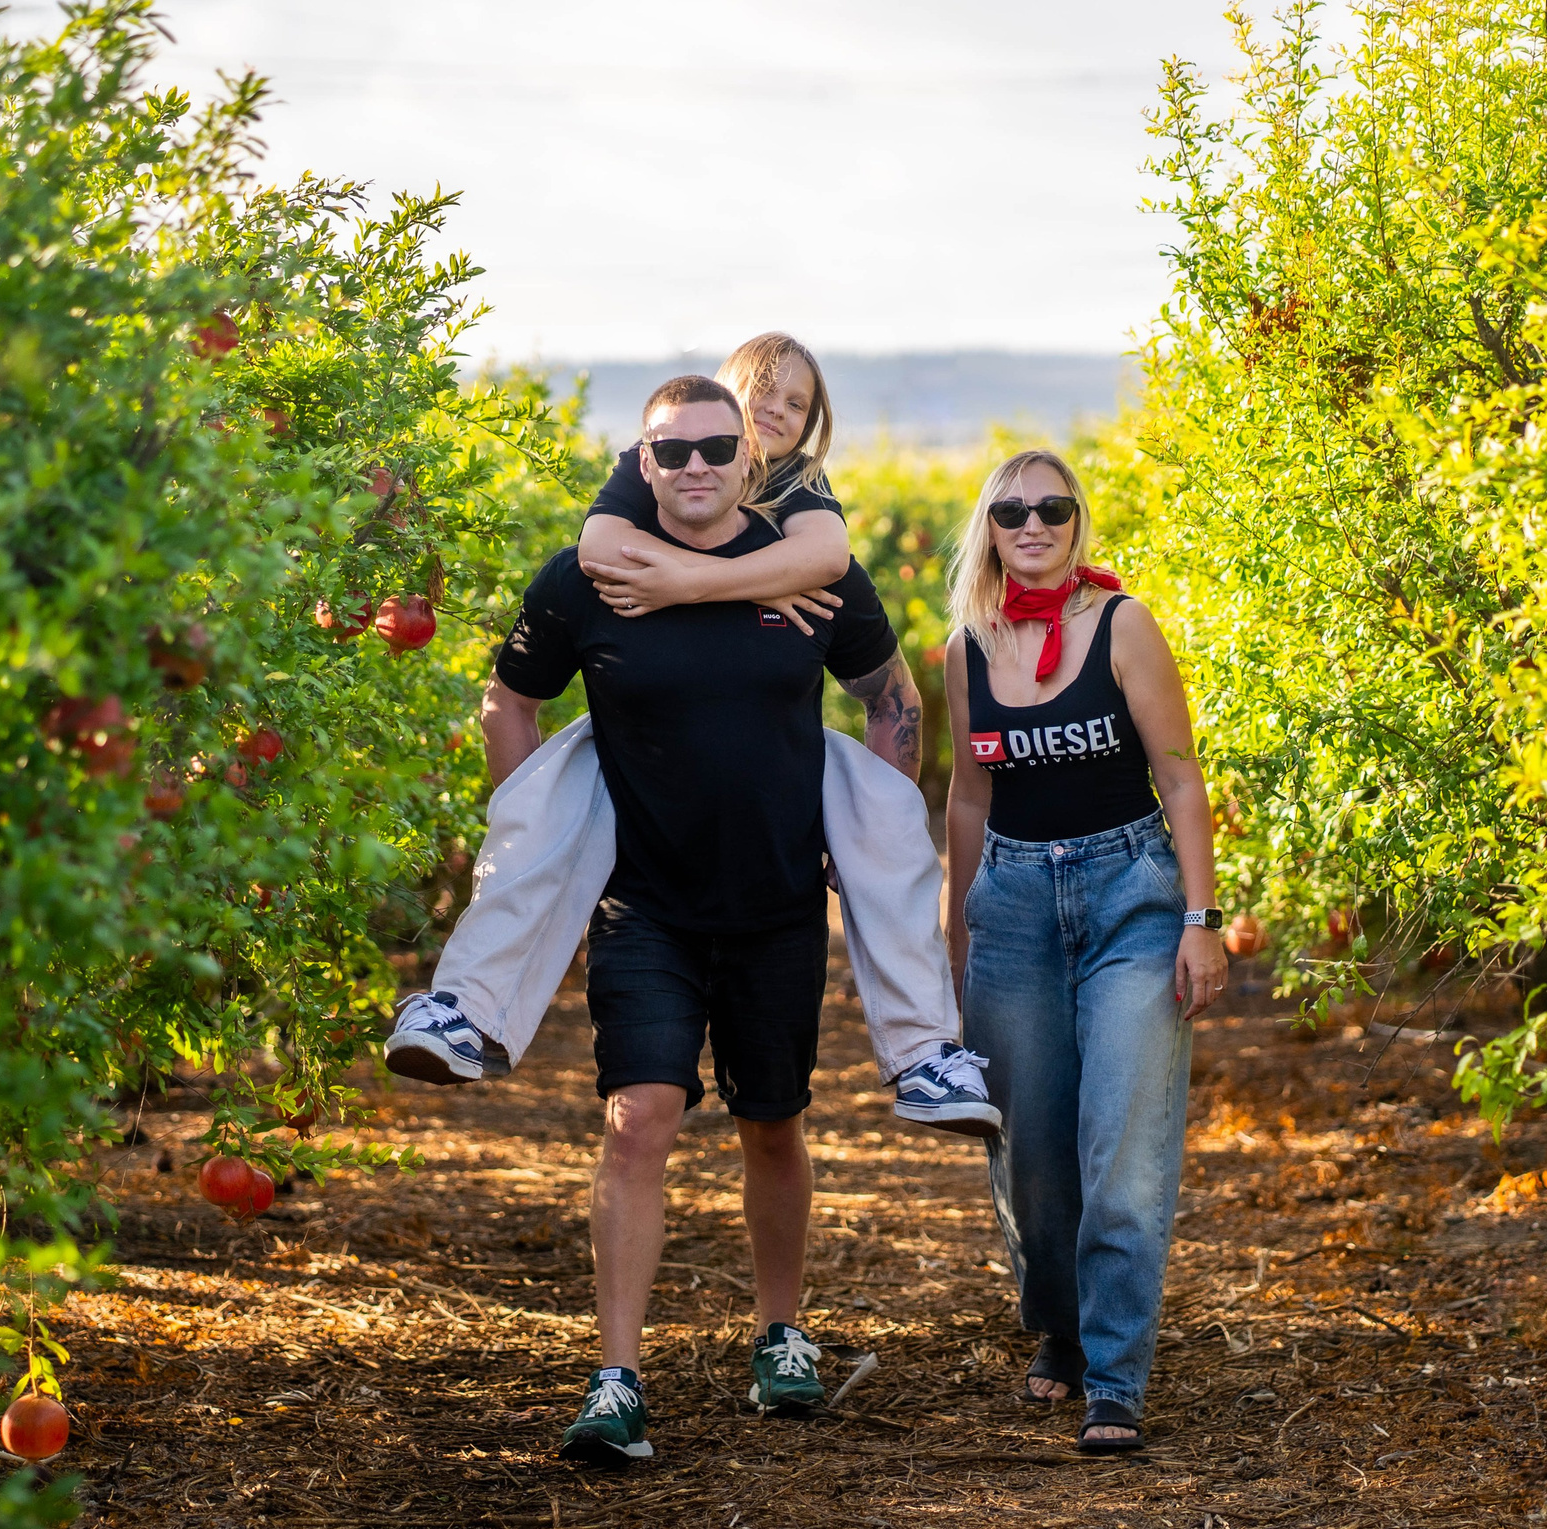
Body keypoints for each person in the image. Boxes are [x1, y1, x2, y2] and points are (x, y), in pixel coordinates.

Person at [473, 374, 923, 1465]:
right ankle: (617, 1380)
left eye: (717, 448)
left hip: (777, 904)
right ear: (642, 460)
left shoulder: (804, 573)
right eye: (670, 451)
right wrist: (541, 847)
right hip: (645, 904)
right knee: (639, 1119)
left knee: (773, 1119)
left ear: (745, 459)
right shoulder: (590, 578)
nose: (695, 468)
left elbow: (894, 698)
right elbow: (508, 701)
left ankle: (781, 1334)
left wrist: (866, 840)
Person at [387, 333, 996, 1137]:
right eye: (760, 398)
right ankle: (465, 1008)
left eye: (795, 405)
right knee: (549, 803)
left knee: (886, 829)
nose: (774, 415)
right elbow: (595, 551)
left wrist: (693, 584)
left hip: (777, 873)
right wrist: (546, 831)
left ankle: (925, 1052)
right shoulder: (640, 489)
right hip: (640, 853)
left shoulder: (805, 507)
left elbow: (843, 587)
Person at [942, 449, 1227, 1455]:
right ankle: (1059, 1326)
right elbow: (967, 798)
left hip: (1129, 897)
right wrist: (959, 943)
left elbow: (1181, 780)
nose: (1033, 524)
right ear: (988, 527)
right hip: (1013, 904)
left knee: (1123, 1147)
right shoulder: (967, 647)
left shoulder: (1123, 625)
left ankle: (1114, 1375)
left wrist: (1201, 920)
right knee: (1030, 1154)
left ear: (1076, 521)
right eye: (1012, 510)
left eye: (1052, 508)